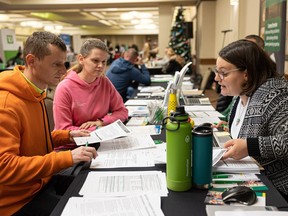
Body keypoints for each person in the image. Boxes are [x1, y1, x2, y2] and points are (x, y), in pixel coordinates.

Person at [0, 31, 98, 216]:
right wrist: (67, 158)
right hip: (18, 202)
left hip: (40, 183)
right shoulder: (6, 104)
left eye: (64, 63)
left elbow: (32, 142)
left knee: (95, 187)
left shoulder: (34, 92)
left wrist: (66, 136)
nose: (64, 71)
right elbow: (4, 168)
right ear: (31, 61)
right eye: (56, 64)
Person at [213, 39, 288, 199]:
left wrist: (250, 145)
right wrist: (230, 127)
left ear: (246, 74)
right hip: (253, 176)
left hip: (278, 190)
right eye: (216, 71)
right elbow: (254, 126)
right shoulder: (241, 93)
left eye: (223, 73)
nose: (217, 79)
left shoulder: (276, 95)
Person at [53, 38, 128, 150]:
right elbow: (64, 130)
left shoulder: (104, 82)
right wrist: (98, 129)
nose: (101, 66)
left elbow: (122, 111)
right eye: (95, 61)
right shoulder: (64, 88)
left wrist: (100, 122)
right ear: (81, 59)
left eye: (104, 62)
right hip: (72, 148)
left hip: (99, 142)